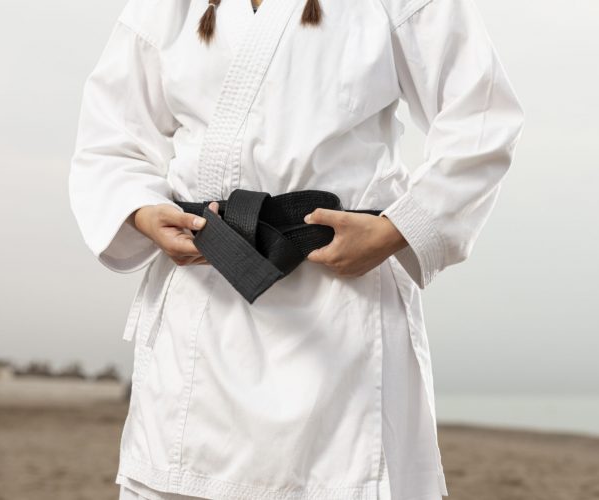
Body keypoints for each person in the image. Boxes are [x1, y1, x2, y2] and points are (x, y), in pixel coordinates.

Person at [67, 0, 524, 498]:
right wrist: (142, 211)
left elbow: (483, 115)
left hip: (340, 309)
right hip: (201, 303)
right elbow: (111, 139)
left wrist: (396, 229)